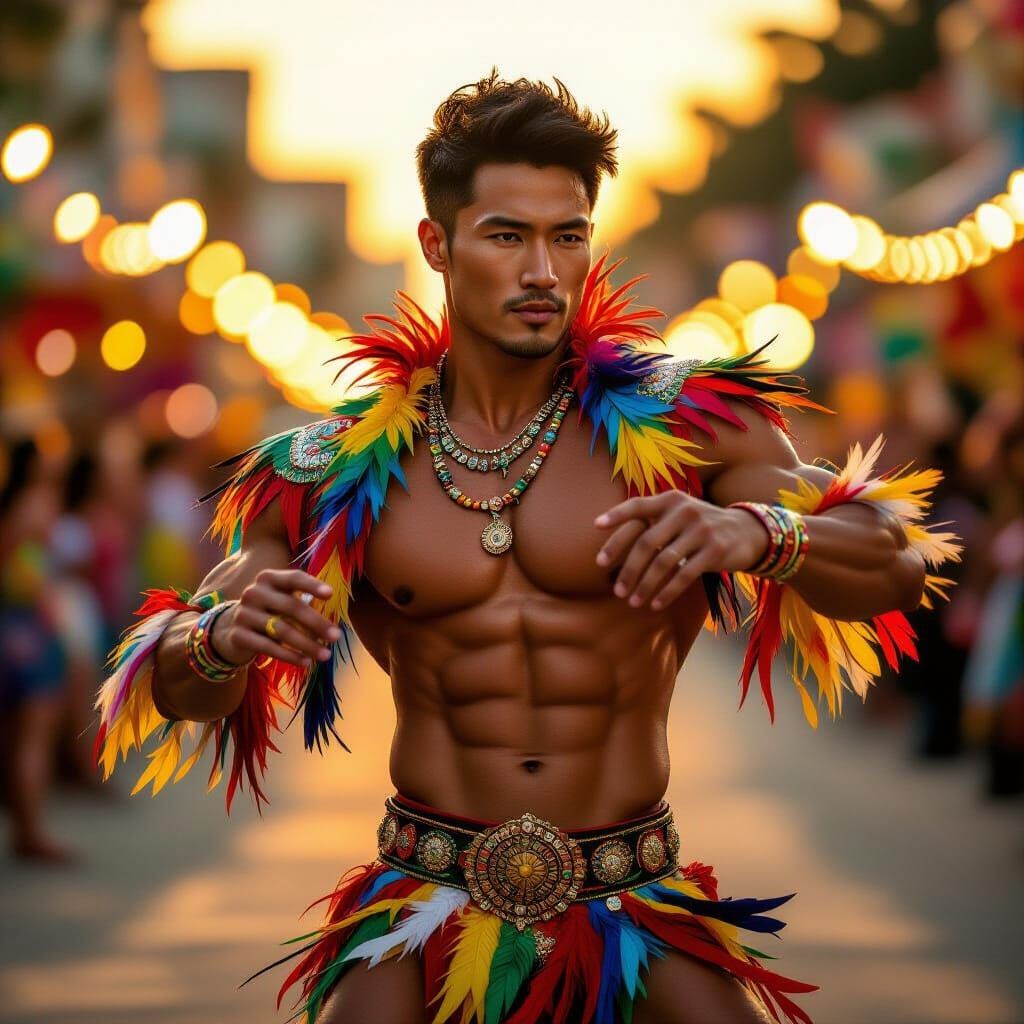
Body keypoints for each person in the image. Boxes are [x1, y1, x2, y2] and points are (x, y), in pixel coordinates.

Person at [94, 71, 960, 1024]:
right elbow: (183, 689)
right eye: (507, 235)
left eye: (569, 234)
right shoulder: (329, 468)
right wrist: (216, 640)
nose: (543, 270)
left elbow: (895, 559)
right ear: (438, 242)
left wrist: (756, 530)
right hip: (423, 901)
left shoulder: (695, 429)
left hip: (635, 897)